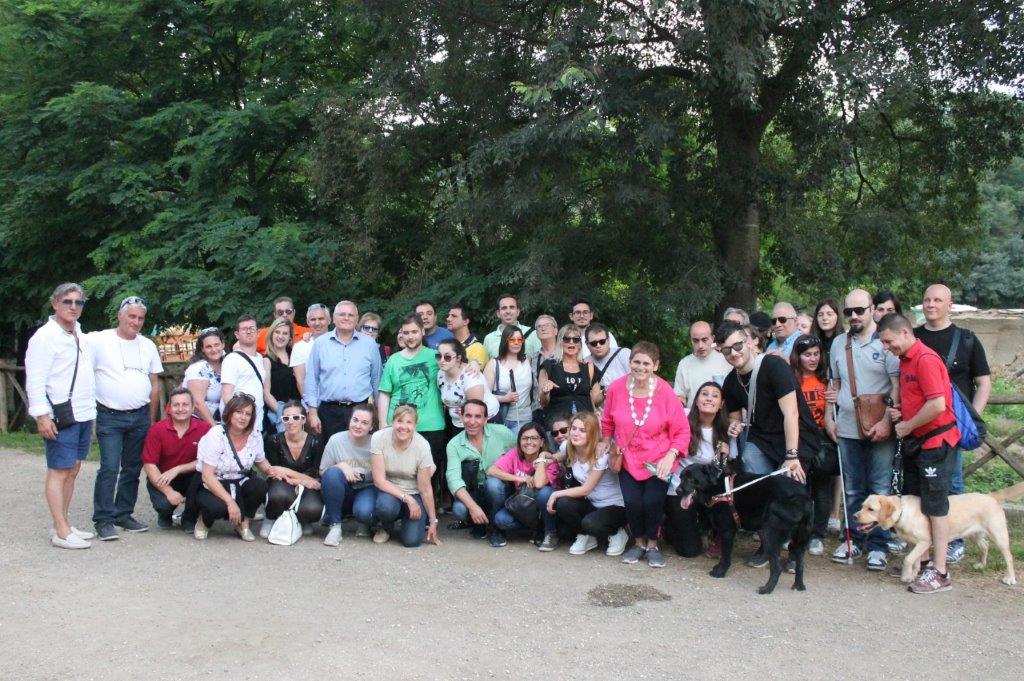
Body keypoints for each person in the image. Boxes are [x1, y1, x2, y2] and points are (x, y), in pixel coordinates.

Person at [716, 320, 819, 567]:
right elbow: (734, 417)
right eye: (727, 350)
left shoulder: (773, 366)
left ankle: (796, 552)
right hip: (763, 439)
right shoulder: (731, 382)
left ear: (750, 342)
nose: (734, 353)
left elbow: (791, 414)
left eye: (738, 345)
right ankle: (767, 545)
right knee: (757, 486)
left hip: (797, 437)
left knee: (792, 491)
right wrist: (733, 425)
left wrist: (792, 456)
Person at [878, 313, 960, 594]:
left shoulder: (925, 359)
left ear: (904, 333)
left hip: (935, 443)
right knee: (920, 503)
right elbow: (921, 400)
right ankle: (922, 563)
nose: (887, 347)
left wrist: (907, 424)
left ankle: (940, 571)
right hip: (917, 442)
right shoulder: (905, 360)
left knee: (936, 507)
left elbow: (937, 404)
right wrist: (904, 414)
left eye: (889, 341)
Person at [914, 283, 991, 564]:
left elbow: (983, 383)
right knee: (921, 483)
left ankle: (954, 541)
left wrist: (972, 418)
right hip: (918, 425)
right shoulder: (913, 337)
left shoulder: (967, 339)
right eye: (927, 300)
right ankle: (923, 539)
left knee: (953, 484)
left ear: (950, 304)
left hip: (952, 426)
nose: (931, 304)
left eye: (937, 300)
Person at [824, 289, 900, 568]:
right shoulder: (838, 345)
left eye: (859, 310)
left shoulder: (886, 342)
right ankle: (853, 540)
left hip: (880, 423)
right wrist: (829, 420)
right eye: (849, 311)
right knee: (852, 488)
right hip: (846, 425)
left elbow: (896, 386)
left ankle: (878, 545)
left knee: (879, 487)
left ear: (872, 310)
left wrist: (887, 422)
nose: (854, 316)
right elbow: (834, 384)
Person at [601, 342, 691, 568]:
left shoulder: (666, 392)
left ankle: (652, 544)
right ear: (630, 362)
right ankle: (639, 543)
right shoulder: (615, 388)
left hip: (658, 459)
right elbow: (608, 420)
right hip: (627, 457)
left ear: (656, 366)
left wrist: (671, 455)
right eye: (636, 362)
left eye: (646, 363)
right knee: (632, 502)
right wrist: (606, 441)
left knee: (652, 502)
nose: (640, 367)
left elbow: (681, 429)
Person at [26, 283, 97, 549]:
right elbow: (35, 381)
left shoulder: (79, 334)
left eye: (78, 303)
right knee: (59, 470)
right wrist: (42, 416)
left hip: (82, 412)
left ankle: (64, 523)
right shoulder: (44, 338)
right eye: (68, 302)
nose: (73, 307)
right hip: (59, 414)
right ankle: (61, 530)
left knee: (73, 468)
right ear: (55, 303)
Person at [88, 295, 164, 540]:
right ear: (120, 315)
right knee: (110, 467)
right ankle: (103, 518)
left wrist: (151, 419)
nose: (136, 321)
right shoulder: (99, 340)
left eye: (140, 318)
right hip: (110, 415)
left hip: (140, 416)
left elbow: (154, 384)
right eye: (131, 316)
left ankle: (123, 513)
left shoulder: (148, 345)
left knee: (132, 468)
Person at [378, 314, 449, 507]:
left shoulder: (435, 356)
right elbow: (384, 393)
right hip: (398, 425)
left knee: (429, 474)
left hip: (431, 425)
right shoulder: (393, 360)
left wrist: (474, 364)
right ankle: (395, 512)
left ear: (422, 332)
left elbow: (456, 365)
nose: (410, 336)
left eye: (414, 332)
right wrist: (383, 423)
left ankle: (425, 515)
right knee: (395, 472)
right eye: (406, 332)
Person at [663, 381, 737, 558]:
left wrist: (723, 456)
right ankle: (669, 524)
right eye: (704, 394)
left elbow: (723, 471)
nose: (709, 399)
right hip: (680, 487)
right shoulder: (682, 417)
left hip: (707, 490)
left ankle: (714, 534)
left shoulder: (726, 429)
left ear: (721, 404)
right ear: (696, 400)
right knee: (690, 551)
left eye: (715, 396)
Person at [193, 394, 278, 541]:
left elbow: (263, 464)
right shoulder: (216, 434)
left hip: (239, 481)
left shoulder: (255, 436)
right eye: (239, 412)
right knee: (217, 507)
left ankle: (243, 524)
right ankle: (203, 521)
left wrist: (281, 475)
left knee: (259, 485)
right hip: (213, 482)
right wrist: (230, 502)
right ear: (230, 413)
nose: (243, 417)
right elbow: (207, 475)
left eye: (248, 414)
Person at [547, 412, 629, 556]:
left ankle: (617, 532)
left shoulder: (601, 453)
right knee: (563, 504)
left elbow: (586, 489)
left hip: (615, 506)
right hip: (593, 504)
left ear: (592, 434)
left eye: (583, 430)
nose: (576, 433)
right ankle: (587, 536)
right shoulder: (568, 446)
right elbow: (558, 456)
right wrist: (544, 457)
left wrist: (555, 493)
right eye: (574, 428)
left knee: (590, 522)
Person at [304, 300, 382, 442]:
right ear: (333, 318)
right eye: (342, 314)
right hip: (328, 413)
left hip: (361, 412)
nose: (346, 318)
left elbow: (376, 380)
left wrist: (379, 415)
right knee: (329, 457)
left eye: (351, 315)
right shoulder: (321, 344)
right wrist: (313, 413)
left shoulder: (369, 345)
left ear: (357, 319)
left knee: (359, 456)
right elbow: (312, 379)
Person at [369, 405, 442, 547]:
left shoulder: (422, 446)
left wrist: (433, 521)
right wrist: (407, 498)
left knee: (412, 541)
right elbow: (379, 480)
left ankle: (408, 522)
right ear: (392, 422)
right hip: (388, 489)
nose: (403, 426)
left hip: (414, 491)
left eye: (409, 422)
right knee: (386, 507)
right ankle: (385, 526)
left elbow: (425, 489)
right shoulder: (379, 437)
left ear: (415, 425)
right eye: (399, 421)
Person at [142, 388, 210, 533]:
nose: (180, 409)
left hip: (191, 477)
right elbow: (149, 464)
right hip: (163, 477)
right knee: (164, 504)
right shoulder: (157, 430)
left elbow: (207, 462)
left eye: (185, 405)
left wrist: (178, 469)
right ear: (169, 408)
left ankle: (189, 518)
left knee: (202, 477)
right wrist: (169, 492)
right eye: (176, 405)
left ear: (193, 407)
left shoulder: (205, 429)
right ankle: (165, 514)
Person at [789, 335, 833, 558]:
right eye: (807, 355)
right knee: (800, 489)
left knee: (822, 490)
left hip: (822, 439)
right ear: (798, 356)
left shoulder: (827, 380)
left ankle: (818, 534)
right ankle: (798, 531)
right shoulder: (791, 380)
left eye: (816, 354)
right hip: (799, 440)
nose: (813, 359)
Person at [446, 399, 517, 537]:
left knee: (493, 483)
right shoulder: (454, 444)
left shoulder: (502, 433)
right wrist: (473, 507)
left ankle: (496, 528)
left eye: (478, 416)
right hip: (474, 493)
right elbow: (453, 480)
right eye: (468, 416)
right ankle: (479, 523)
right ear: (461, 417)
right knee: (459, 509)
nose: (472, 422)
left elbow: (521, 456)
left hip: (502, 490)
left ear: (486, 419)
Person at [486, 422, 560, 549]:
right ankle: (532, 529)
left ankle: (549, 532)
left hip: (543, 510)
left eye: (534, 438)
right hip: (522, 506)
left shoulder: (548, 459)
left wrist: (542, 457)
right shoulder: (515, 453)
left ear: (542, 442)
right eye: (525, 438)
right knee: (501, 519)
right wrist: (520, 478)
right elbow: (491, 470)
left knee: (545, 492)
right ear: (519, 441)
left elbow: (539, 483)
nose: (529, 442)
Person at [260, 401, 325, 538]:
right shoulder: (274, 441)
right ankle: (271, 517)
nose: (291, 422)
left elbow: (315, 475)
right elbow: (275, 471)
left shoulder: (316, 442)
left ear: (304, 419)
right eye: (286, 418)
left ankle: (301, 518)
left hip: (307, 485)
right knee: (278, 495)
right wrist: (302, 480)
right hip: (282, 484)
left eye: (296, 417)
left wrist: (295, 478)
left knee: (313, 509)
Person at [320, 404, 379, 546]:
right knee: (332, 473)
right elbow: (323, 471)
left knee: (364, 512)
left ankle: (364, 522)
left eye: (364, 423)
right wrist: (341, 466)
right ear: (350, 421)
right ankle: (335, 526)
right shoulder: (335, 440)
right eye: (355, 420)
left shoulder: (376, 442)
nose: (358, 425)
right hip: (344, 488)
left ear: (371, 427)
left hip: (367, 487)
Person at [220, 314, 278, 434]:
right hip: (238, 425)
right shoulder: (232, 359)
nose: (248, 332)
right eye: (244, 329)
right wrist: (241, 419)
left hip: (257, 424)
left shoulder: (261, 359)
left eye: (252, 329)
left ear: (258, 333)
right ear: (237, 334)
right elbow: (227, 394)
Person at [538, 325, 603, 424]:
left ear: (580, 344)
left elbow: (595, 400)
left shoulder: (589, 367)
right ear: (560, 342)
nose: (571, 342)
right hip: (558, 428)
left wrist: (607, 392)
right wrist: (545, 392)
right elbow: (543, 403)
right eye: (567, 339)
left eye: (576, 339)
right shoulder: (549, 366)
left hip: (585, 425)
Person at [437, 338, 499, 428]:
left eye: (447, 357)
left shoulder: (470, 376)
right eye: (439, 356)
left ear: (458, 358)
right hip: (457, 422)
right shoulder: (440, 374)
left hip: (484, 422)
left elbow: (476, 411)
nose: (442, 360)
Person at [484, 326, 534, 432]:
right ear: (505, 341)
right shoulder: (493, 364)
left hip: (525, 418)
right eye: (512, 339)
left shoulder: (528, 361)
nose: (516, 342)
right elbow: (484, 396)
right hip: (500, 419)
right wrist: (505, 398)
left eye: (520, 339)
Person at [673, 321, 731, 408]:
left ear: (712, 338)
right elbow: (679, 396)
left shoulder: (726, 360)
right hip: (693, 418)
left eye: (704, 340)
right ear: (691, 340)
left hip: (721, 417)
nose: (700, 345)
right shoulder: (684, 364)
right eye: (695, 341)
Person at [264, 317, 300, 432]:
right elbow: (266, 393)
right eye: (277, 332)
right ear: (271, 334)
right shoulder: (267, 360)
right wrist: (285, 414)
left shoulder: (296, 355)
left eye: (285, 333)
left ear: (290, 337)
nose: (280, 336)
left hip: (298, 414)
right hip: (279, 416)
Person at [184, 327, 225, 425]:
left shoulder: (227, 364)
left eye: (216, 345)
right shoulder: (199, 368)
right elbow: (197, 403)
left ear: (223, 344)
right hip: (202, 424)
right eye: (209, 346)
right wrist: (215, 428)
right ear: (202, 349)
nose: (214, 349)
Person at [291, 303, 331, 398]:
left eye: (321, 319)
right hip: (312, 403)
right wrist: (310, 405)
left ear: (329, 320)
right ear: (308, 322)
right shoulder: (299, 347)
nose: (317, 323)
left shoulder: (340, 343)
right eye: (313, 319)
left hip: (337, 402)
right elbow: (300, 381)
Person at [586, 323, 630, 391]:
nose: (598, 345)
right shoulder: (585, 363)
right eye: (594, 343)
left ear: (608, 340)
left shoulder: (624, 354)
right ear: (587, 344)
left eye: (602, 341)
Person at [810, 299, 844, 374]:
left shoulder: (845, 342)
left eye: (829, 314)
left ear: (838, 316)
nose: (824, 318)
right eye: (820, 315)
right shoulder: (811, 341)